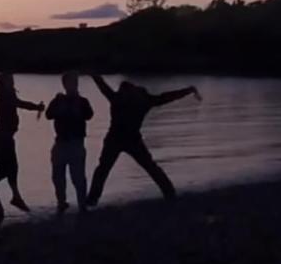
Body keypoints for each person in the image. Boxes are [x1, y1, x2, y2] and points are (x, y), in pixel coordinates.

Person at [87, 75, 202, 206]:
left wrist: (93, 74)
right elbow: (167, 97)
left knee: (103, 169)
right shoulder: (143, 100)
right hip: (127, 139)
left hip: (120, 139)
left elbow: (103, 86)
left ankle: (92, 199)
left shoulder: (121, 98)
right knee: (149, 167)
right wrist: (188, 90)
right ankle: (169, 192)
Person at [0, 73, 45, 212]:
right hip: (3, 139)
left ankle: (16, 196)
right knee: (6, 170)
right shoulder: (4, 96)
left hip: (5, 138)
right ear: (4, 83)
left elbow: (18, 103)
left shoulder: (6, 95)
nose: (13, 83)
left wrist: (36, 107)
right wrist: (37, 107)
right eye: (10, 80)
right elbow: (21, 104)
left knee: (10, 169)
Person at [45, 72, 94, 214]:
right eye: (70, 83)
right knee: (58, 176)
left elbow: (89, 115)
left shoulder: (82, 101)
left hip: (76, 143)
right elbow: (48, 115)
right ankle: (61, 202)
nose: (72, 85)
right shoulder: (59, 100)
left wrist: (75, 107)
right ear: (65, 85)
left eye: (74, 82)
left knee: (78, 177)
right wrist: (59, 105)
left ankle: (82, 205)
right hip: (61, 142)